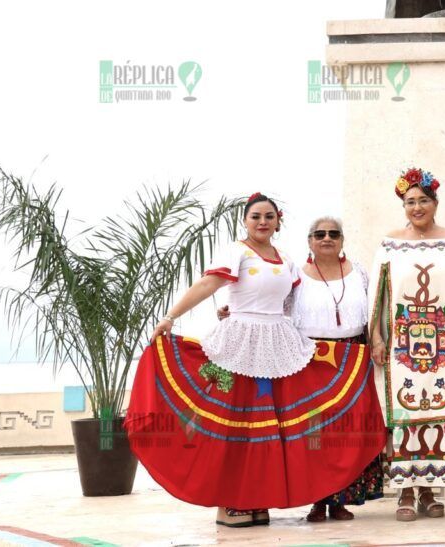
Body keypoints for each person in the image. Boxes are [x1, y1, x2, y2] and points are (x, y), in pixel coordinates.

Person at [125, 193, 386, 528]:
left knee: (269, 427)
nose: (262, 222)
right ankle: (230, 503)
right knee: (233, 423)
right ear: (245, 221)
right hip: (239, 345)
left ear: (278, 222)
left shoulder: (286, 260)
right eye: (256, 216)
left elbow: (293, 302)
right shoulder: (236, 252)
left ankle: (257, 499)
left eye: (269, 216)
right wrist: (171, 316)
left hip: (277, 344)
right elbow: (208, 284)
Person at [217, 214, 383, 523]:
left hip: (353, 357)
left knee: (349, 433)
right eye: (319, 234)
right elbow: (271, 306)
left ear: (342, 240)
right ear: (309, 241)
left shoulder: (359, 273)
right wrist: (234, 312)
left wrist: (376, 341)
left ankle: (342, 500)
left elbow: (373, 313)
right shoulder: (297, 275)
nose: (327, 238)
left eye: (334, 233)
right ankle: (318, 501)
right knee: (315, 434)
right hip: (311, 360)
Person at [368, 168, 445, 521]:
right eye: (410, 201)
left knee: (440, 415)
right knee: (405, 412)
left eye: (423, 200)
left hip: (443, 347)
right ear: (403, 206)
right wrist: (377, 337)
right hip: (402, 348)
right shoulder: (390, 243)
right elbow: (377, 294)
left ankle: (429, 490)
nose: (417, 207)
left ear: (435, 203)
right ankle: (406, 492)